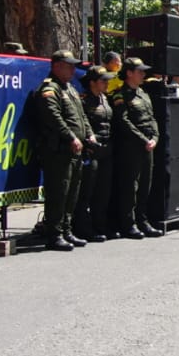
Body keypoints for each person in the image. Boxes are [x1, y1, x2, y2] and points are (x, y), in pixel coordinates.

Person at [32, 50, 93, 250]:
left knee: (72, 192)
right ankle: (54, 233)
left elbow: (81, 116)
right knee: (59, 192)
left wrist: (89, 134)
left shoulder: (71, 88)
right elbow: (53, 117)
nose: (73, 69)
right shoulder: (50, 88)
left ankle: (67, 230)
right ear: (56, 66)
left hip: (75, 150)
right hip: (58, 150)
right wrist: (71, 137)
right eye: (69, 65)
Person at [111, 57, 164, 239]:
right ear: (129, 73)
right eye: (139, 71)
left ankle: (142, 220)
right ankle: (128, 223)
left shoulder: (143, 93)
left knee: (145, 186)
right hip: (130, 148)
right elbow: (123, 121)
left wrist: (155, 137)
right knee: (130, 188)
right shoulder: (120, 95)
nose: (143, 74)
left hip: (148, 146)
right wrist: (143, 140)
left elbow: (152, 118)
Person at [73, 63, 114, 242]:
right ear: (92, 82)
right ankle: (83, 228)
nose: (106, 84)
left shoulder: (105, 99)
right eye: (103, 81)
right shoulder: (83, 101)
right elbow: (81, 125)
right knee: (87, 192)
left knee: (103, 192)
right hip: (91, 151)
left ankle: (100, 225)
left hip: (106, 150)